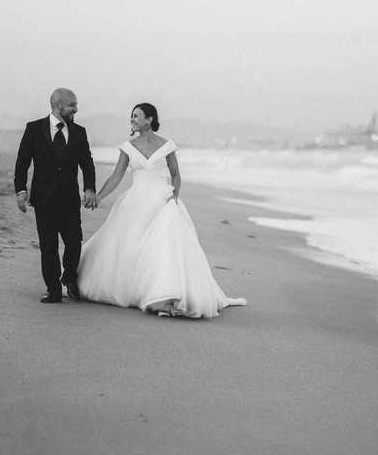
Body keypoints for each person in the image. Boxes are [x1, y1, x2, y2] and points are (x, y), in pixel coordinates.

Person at [77, 103, 245, 317]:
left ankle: (163, 296)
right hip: (134, 203)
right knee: (129, 246)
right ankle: (138, 290)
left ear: (149, 120)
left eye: (136, 116)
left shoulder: (166, 146)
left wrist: (174, 196)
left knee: (163, 247)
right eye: (131, 116)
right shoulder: (128, 147)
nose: (132, 119)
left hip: (161, 201)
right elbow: (116, 176)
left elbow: (175, 174)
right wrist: (99, 196)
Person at [14, 88, 97, 303]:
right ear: (58, 106)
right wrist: (21, 191)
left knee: (74, 242)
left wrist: (89, 188)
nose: (75, 109)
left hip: (69, 199)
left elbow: (87, 164)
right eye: (72, 105)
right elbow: (22, 162)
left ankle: (68, 277)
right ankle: (53, 289)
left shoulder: (79, 132)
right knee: (48, 245)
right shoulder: (34, 128)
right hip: (44, 198)